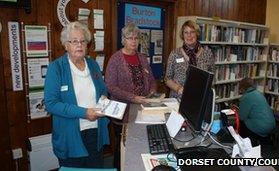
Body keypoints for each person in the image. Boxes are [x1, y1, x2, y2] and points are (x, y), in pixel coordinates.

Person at [44, 21, 109, 168]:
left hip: (95, 131)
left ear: (87, 44)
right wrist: (84, 113)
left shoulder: (93, 65)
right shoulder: (56, 68)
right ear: (65, 45)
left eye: (83, 41)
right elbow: (51, 103)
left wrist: (103, 99)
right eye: (74, 41)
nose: (79, 45)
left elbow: (103, 90)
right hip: (70, 136)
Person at [105, 23, 156, 170]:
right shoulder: (115, 59)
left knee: (141, 143)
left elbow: (152, 79)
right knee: (123, 146)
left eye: (136, 38)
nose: (134, 41)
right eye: (130, 38)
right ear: (123, 40)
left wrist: (152, 90)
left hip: (142, 108)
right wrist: (132, 97)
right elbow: (110, 86)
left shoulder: (142, 57)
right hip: (122, 111)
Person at [165, 20, 215, 99]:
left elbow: (212, 78)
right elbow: (167, 79)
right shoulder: (174, 54)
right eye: (186, 32)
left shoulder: (208, 54)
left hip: (199, 98)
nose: (189, 35)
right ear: (182, 35)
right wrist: (178, 88)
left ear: (197, 33)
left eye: (192, 32)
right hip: (178, 98)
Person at [238, 77, 276, 144]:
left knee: (240, 122)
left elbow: (242, 117)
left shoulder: (246, 97)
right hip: (272, 125)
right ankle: (266, 138)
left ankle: (247, 141)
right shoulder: (258, 93)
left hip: (261, 127)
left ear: (243, 88)